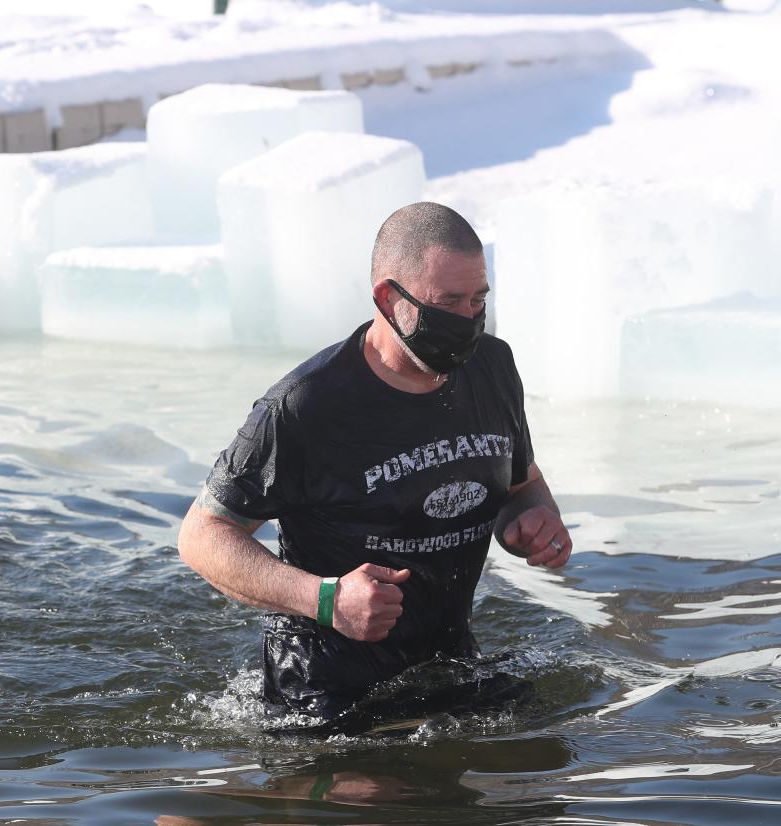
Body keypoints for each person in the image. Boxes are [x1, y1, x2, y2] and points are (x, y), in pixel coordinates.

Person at [177, 201, 572, 725]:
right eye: (448, 301)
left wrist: (533, 517)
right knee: (374, 802)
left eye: (479, 299)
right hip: (325, 685)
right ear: (389, 298)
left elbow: (523, 483)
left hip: (447, 664)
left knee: (543, 775)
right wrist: (326, 599)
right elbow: (202, 535)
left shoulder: (493, 368)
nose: (468, 320)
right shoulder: (306, 406)